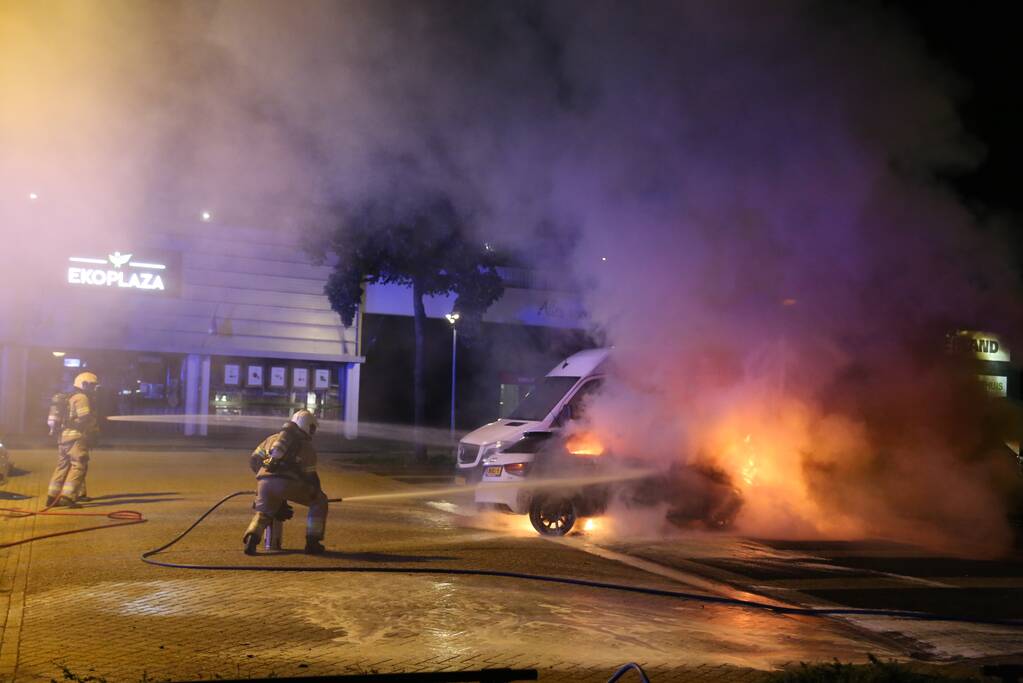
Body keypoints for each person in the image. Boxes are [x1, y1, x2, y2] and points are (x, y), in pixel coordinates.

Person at [243, 409, 329, 555]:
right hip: (288, 484)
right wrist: (317, 493)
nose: (313, 432)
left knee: (264, 513)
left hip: (264, 483)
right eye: (312, 428)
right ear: (307, 426)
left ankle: (251, 539)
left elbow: (254, 460)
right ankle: (312, 542)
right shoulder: (306, 447)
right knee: (320, 501)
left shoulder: (271, 439)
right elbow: (311, 477)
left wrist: (263, 479)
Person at [46, 372, 100, 508]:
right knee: (79, 465)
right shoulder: (82, 397)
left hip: (63, 437)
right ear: (84, 384)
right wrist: (93, 429)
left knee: (62, 466)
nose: (94, 388)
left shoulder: (68, 397)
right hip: (76, 437)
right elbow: (84, 418)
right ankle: (68, 496)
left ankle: (52, 497)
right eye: (92, 385)